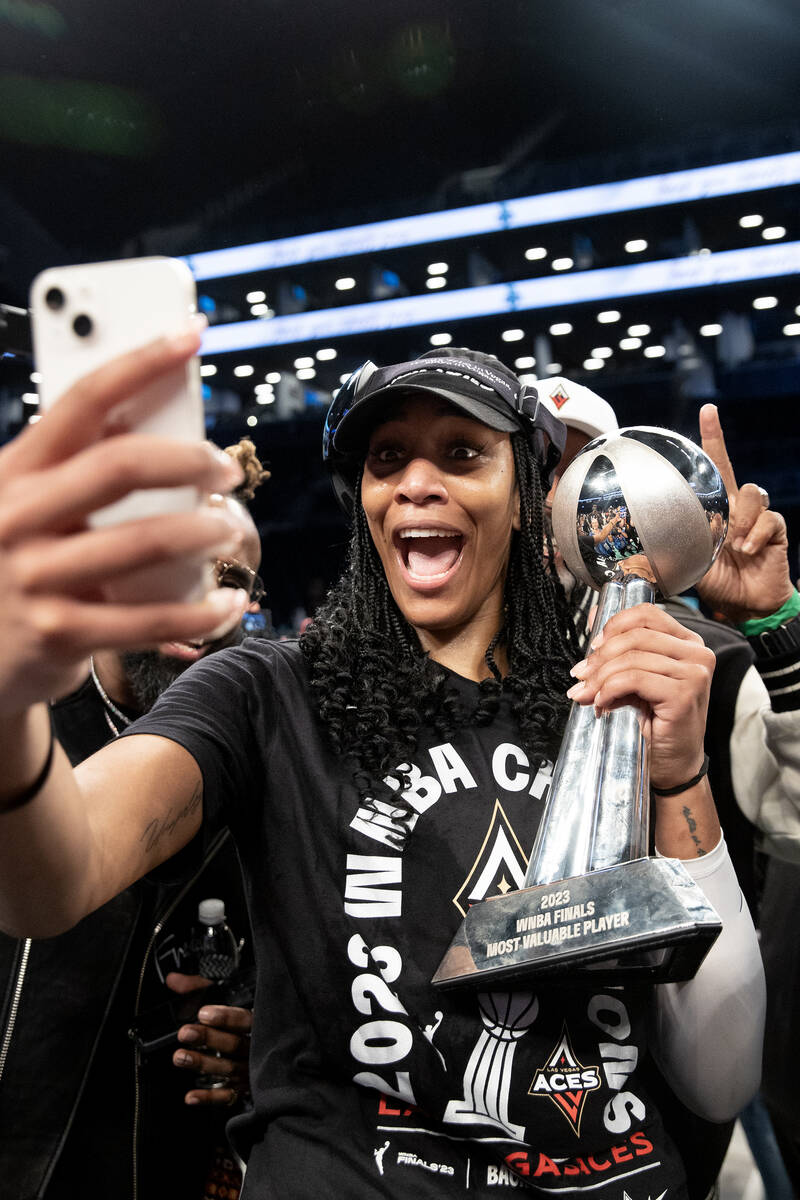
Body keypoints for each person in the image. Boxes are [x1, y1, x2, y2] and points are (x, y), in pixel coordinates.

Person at [0, 334, 765, 1198]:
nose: (414, 481)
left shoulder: (617, 696)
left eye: (464, 452)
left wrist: (675, 773)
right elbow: (52, 883)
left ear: (526, 498)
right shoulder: (267, 693)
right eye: (387, 456)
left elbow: (721, 1078)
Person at [538, 373, 800, 1195]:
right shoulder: (456, 666)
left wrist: (773, 627)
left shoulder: (711, 660)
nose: (568, 505)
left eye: (587, 478)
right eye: (539, 474)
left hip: (688, 1072)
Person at [0, 434, 269, 1200]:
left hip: (160, 1165)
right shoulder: (21, 721)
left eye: (231, 578)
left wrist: (262, 1039)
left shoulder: (262, 763)